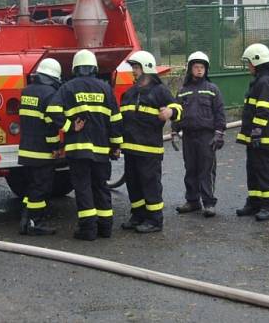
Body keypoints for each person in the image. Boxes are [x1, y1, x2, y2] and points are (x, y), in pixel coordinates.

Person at [47, 49, 123, 241]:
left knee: (83, 188)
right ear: (94, 68)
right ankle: (105, 228)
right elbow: (115, 119)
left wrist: (69, 127)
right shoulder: (105, 88)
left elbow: (52, 111)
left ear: (75, 68)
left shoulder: (68, 87)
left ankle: (88, 230)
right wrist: (116, 145)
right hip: (101, 150)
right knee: (101, 186)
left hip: (78, 149)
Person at [118, 50, 182, 234]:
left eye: (136, 67)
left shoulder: (159, 91)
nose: (134, 71)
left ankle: (155, 220)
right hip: (130, 150)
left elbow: (177, 107)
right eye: (133, 67)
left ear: (146, 68)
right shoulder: (129, 93)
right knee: (134, 184)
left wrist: (170, 112)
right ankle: (138, 215)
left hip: (149, 150)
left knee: (150, 184)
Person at [172, 51, 226, 218]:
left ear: (206, 69)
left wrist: (219, 133)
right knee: (191, 169)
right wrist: (174, 131)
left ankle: (208, 203)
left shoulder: (212, 89)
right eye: (196, 67)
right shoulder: (182, 91)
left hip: (206, 136)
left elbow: (219, 113)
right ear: (190, 69)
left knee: (206, 170)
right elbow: (177, 112)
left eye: (202, 67)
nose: (199, 70)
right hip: (188, 136)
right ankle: (193, 201)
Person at [236, 43, 269, 221]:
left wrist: (256, 131)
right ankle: (255, 201)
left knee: (264, 170)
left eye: (249, 63)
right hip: (256, 136)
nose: (248, 66)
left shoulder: (265, 82)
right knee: (254, 169)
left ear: (256, 62)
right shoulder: (261, 80)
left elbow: (264, 110)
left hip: (263, 136)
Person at [17, 58, 63, 235]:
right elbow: (51, 127)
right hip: (42, 152)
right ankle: (35, 224)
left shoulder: (26, 91)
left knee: (32, 187)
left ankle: (25, 219)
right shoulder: (50, 94)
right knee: (41, 189)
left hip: (26, 150)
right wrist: (55, 147)